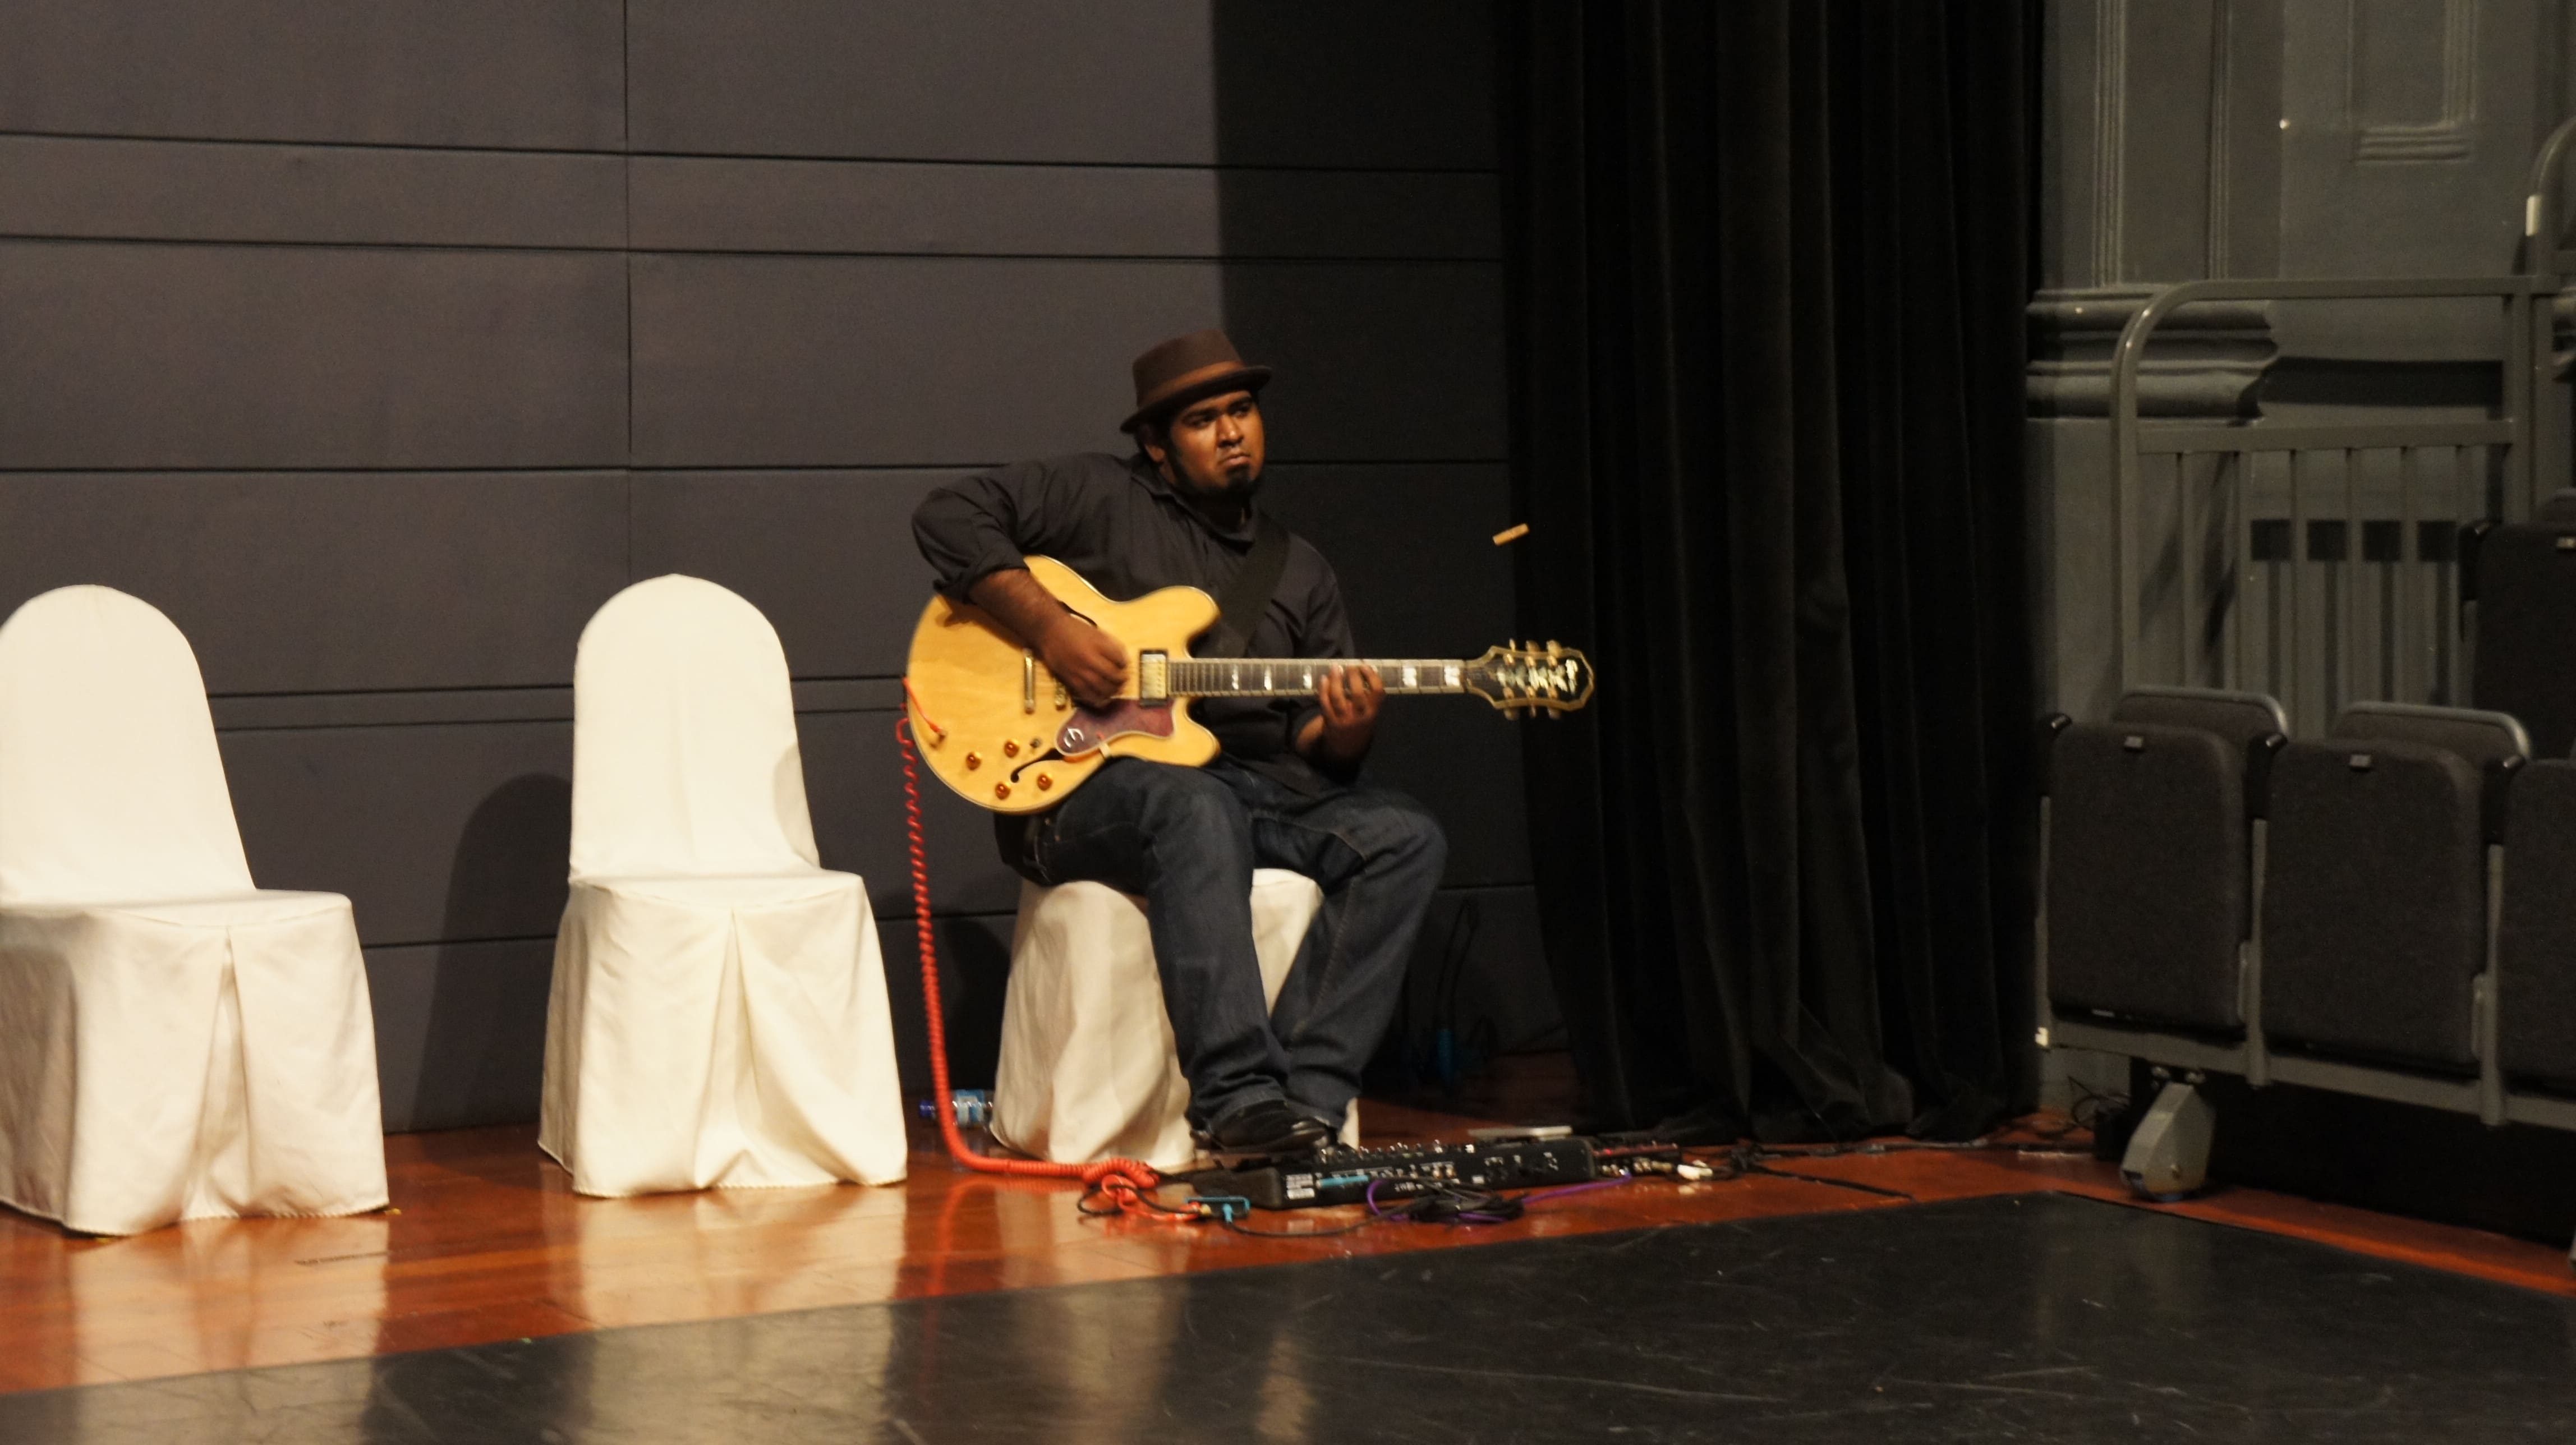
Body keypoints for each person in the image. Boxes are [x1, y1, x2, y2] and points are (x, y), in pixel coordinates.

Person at [912, 329, 1448, 1155]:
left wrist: (1346, 731)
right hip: (1073, 793)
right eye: (1203, 420)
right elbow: (947, 516)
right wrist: (1052, 632)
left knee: (1403, 838)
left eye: (1242, 410)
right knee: (1196, 807)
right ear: (1158, 447)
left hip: (1246, 786)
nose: (1233, 432)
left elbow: (1313, 746)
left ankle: (1304, 1102)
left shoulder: (1298, 568)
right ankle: (1235, 1098)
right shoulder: (1093, 495)